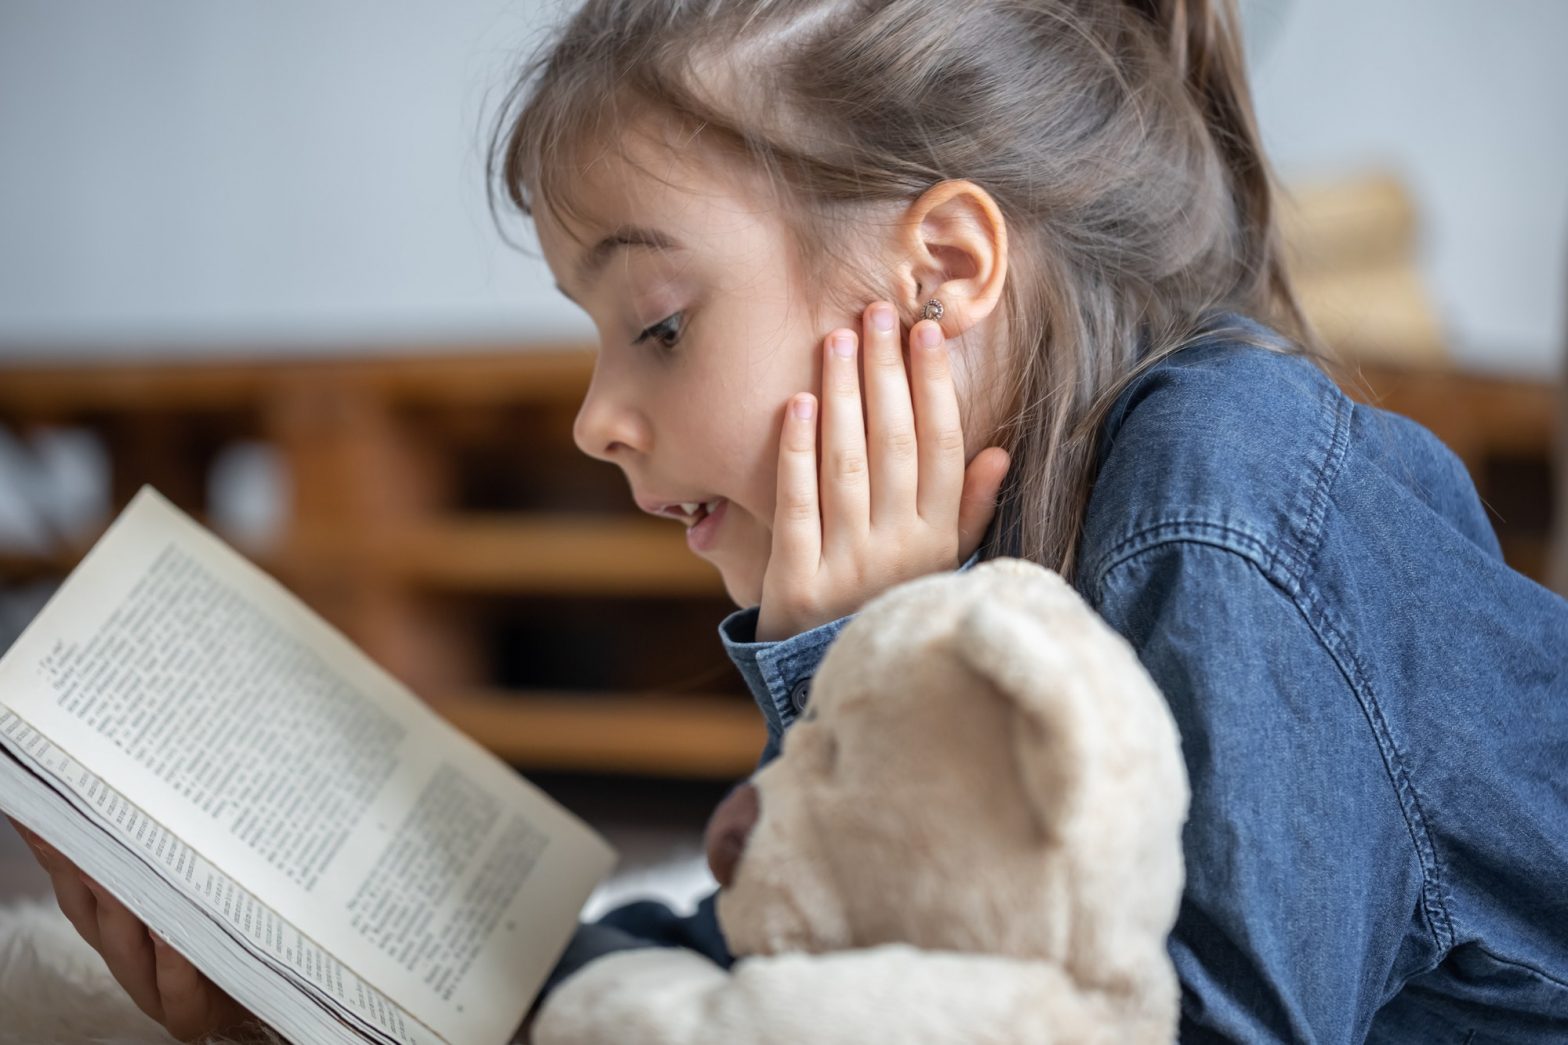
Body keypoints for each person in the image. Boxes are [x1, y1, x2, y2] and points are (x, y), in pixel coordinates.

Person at [15, 0, 1568, 1040]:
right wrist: (323, 996)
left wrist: (871, 678)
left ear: (942, 273)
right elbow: (801, 950)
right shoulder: (972, 537)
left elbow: (1112, 1011)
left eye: (660, 322)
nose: (593, 415)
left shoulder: (1225, 503)